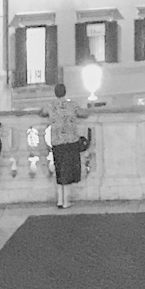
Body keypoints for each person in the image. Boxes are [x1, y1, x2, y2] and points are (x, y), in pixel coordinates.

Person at [39, 80, 90, 208]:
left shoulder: (50, 106)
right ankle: (66, 201)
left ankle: (60, 200)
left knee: (59, 170)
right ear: (65, 92)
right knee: (69, 171)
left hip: (56, 142)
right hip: (71, 141)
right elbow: (84, 114)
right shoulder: (72, 105)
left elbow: (41, 112)